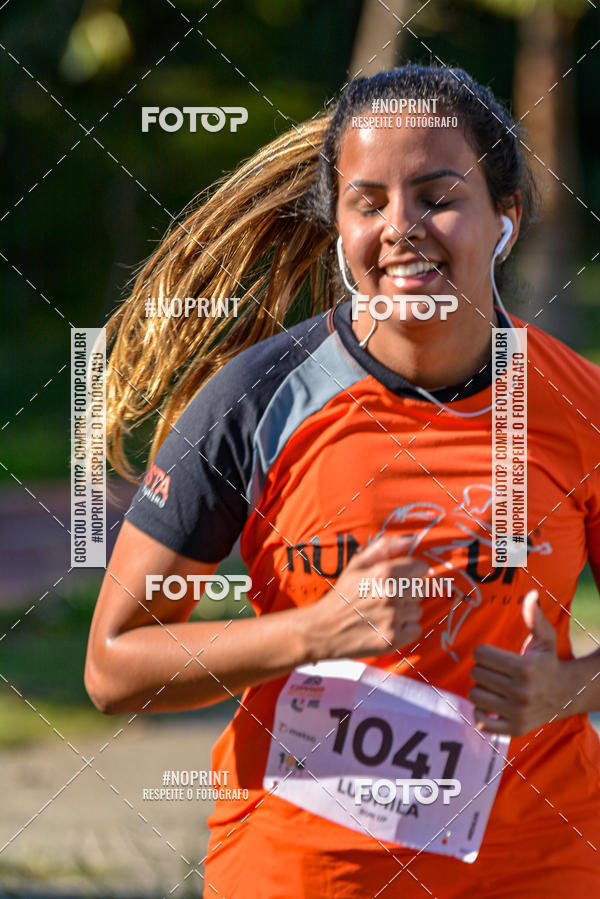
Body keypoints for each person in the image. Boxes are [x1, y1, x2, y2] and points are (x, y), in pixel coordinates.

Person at [85, 64, 600, 897]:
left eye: (437, 196)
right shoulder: (255, 402)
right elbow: (113, 667)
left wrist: (574, 686)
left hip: (538, 866)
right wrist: (316, 631)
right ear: (338, 227)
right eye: (368, 202)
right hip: (301, 874)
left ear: (504, 220)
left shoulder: (581, 406)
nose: (401, 228)